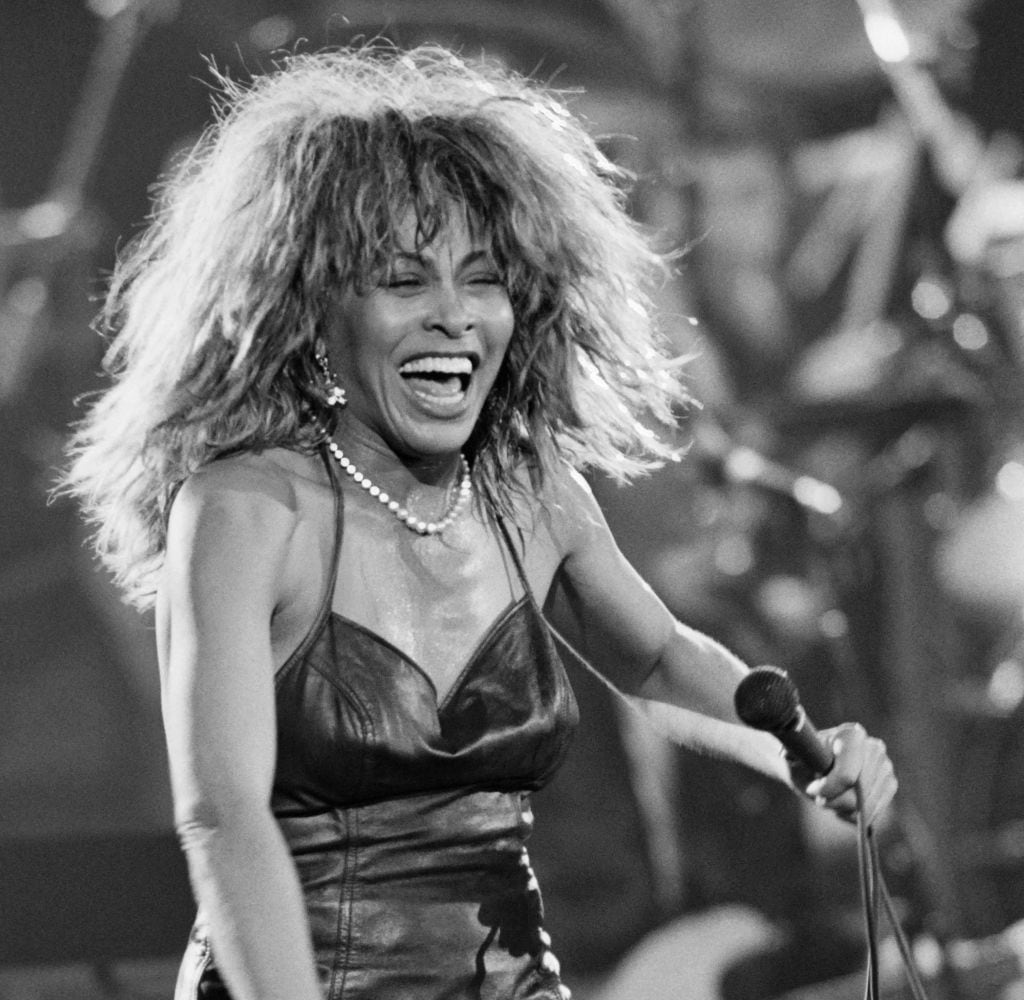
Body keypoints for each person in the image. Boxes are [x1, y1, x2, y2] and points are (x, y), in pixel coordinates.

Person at [62, 44, 898, 1000]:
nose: (457, 317)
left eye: (484, 278)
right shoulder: (247, 511)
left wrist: (805, 754)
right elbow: (224, 819)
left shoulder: (529, 494)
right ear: (311, 307)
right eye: (405, 280)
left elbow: (659, 658)